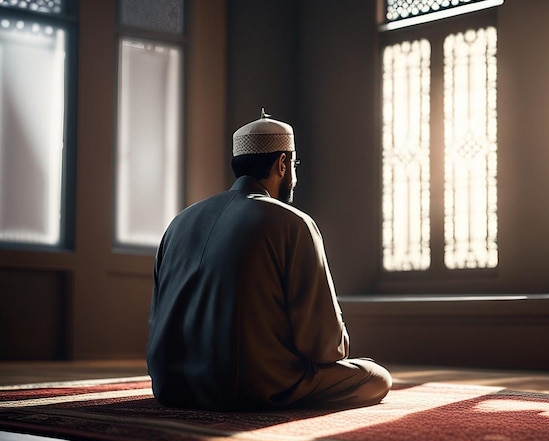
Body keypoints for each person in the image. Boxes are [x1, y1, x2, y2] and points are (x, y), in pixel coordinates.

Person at [147, 110, 392, 411]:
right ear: (283, 164)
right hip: (246, 388)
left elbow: (158, 320)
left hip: (170, 386)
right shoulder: (293, 223)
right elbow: (324, 347)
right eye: (294, 164)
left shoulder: (179, 222)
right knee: (376, 377)